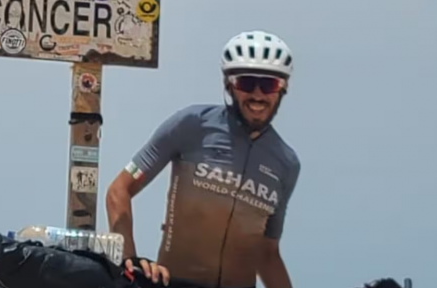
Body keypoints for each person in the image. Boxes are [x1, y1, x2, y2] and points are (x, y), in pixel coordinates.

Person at [105, 30, 301, 288]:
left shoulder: (286, 163)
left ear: (282, 89)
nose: (257, 95)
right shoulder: (192, 125)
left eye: (268, 85)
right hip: (176, 282)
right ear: (229, 85)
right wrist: (128, 261)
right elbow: (119, 189)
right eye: (246, 82)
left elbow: (267, 253)